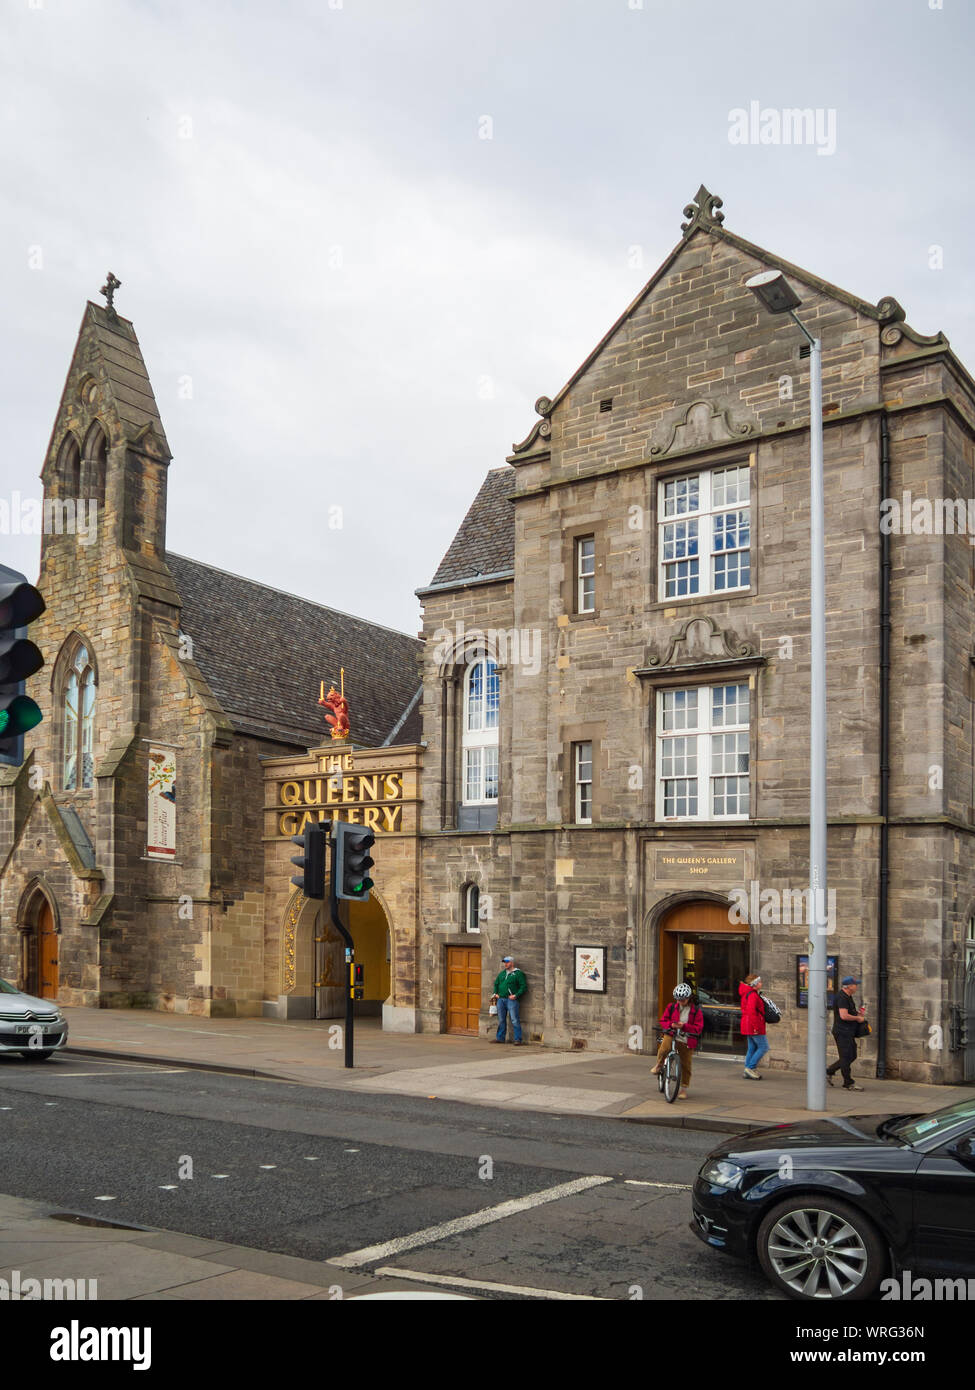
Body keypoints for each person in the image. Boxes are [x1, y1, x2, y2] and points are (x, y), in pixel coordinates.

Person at [650, 983, 704, 1100]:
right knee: (664, 1047)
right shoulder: (671, 1007)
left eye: (683, 1000)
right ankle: (659, 1065)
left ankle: (683, 1089)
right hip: (672, 1034)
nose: (680, 1002)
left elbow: (698, 1028)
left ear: (689, 998)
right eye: (678, 999)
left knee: (686, 1064)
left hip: (687, 1039)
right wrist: (671, 1025)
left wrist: (684, 1026)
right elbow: (663, 1020)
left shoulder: (696, 1011)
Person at [827, 976, 866, 1091]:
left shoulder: (848, 996)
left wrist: (858, 1013)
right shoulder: (842, 997)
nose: (857, 986)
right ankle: (848, 1083)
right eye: (855, 984)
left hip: (848, 1032)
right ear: (849, 986)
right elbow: (843, 1016)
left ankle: (829, 1071)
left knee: (852, 1055)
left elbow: (847, 1013)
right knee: (845, 1057)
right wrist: (857, 1019)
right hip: (842, 1032)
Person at [490, 955, 527, 1044]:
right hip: (501, 1000)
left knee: (514, 1019)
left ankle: (518, 1039)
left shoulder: (518, 973)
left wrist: (516, 995)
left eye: (507, 962)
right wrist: (495, 994)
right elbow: (496, 984)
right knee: (501, 1019)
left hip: (512, 1000)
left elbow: (523, 987)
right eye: (504, 962)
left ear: (512, 963)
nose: (505, 964)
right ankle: (500, 1038)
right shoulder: (502, 973)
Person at [739, 972, 769, 1079]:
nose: (761, 983)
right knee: (764, 1047)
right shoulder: (752, 995)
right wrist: (756, 1027)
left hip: (747, 1024)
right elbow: (752, 1012)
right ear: (755, 984)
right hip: (753, 1025)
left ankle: (747, 1069)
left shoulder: (748, 993)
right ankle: (750, 1068)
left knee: (752, 1048)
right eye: (759, 982)